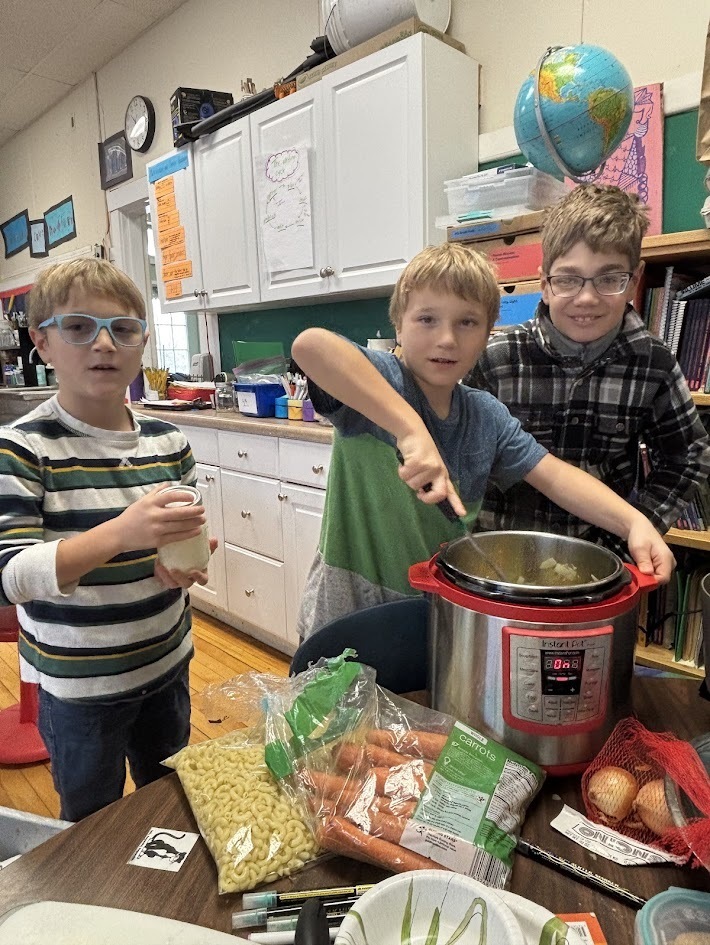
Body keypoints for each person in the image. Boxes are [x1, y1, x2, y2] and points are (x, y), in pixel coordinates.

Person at [292, 242, 676, 641]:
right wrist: (410, 430)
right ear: (398, 325)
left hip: (430, 615)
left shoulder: (485, 416)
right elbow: (310, 346)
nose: (446, 339)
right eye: (427, 319)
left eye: (467, 323)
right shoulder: (380, 382)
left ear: (487, 333)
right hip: (343, 615)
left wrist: (634, 522)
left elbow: (557, 477)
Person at [0, 258, 216, 822]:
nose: (104, 344)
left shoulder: (170, 441)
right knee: (92, 821)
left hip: (166, 661)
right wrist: (123, 532)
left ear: (142, 343)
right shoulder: (22, 450)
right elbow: (12, 578)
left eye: (123, 329)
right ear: (41, 342)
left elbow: (179, 542)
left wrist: (183, 563)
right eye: (78, 328)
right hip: (80, 688)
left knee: (169, 804)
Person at [467, 184, 710, 551]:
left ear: (634, 281)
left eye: (610, 279)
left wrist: (639, 523)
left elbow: (689, 453)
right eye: (567, 279)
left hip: (601, 562)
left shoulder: (653, 364)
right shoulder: (494, 359)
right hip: (499, 556)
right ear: (545, 284)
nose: (586, 298)